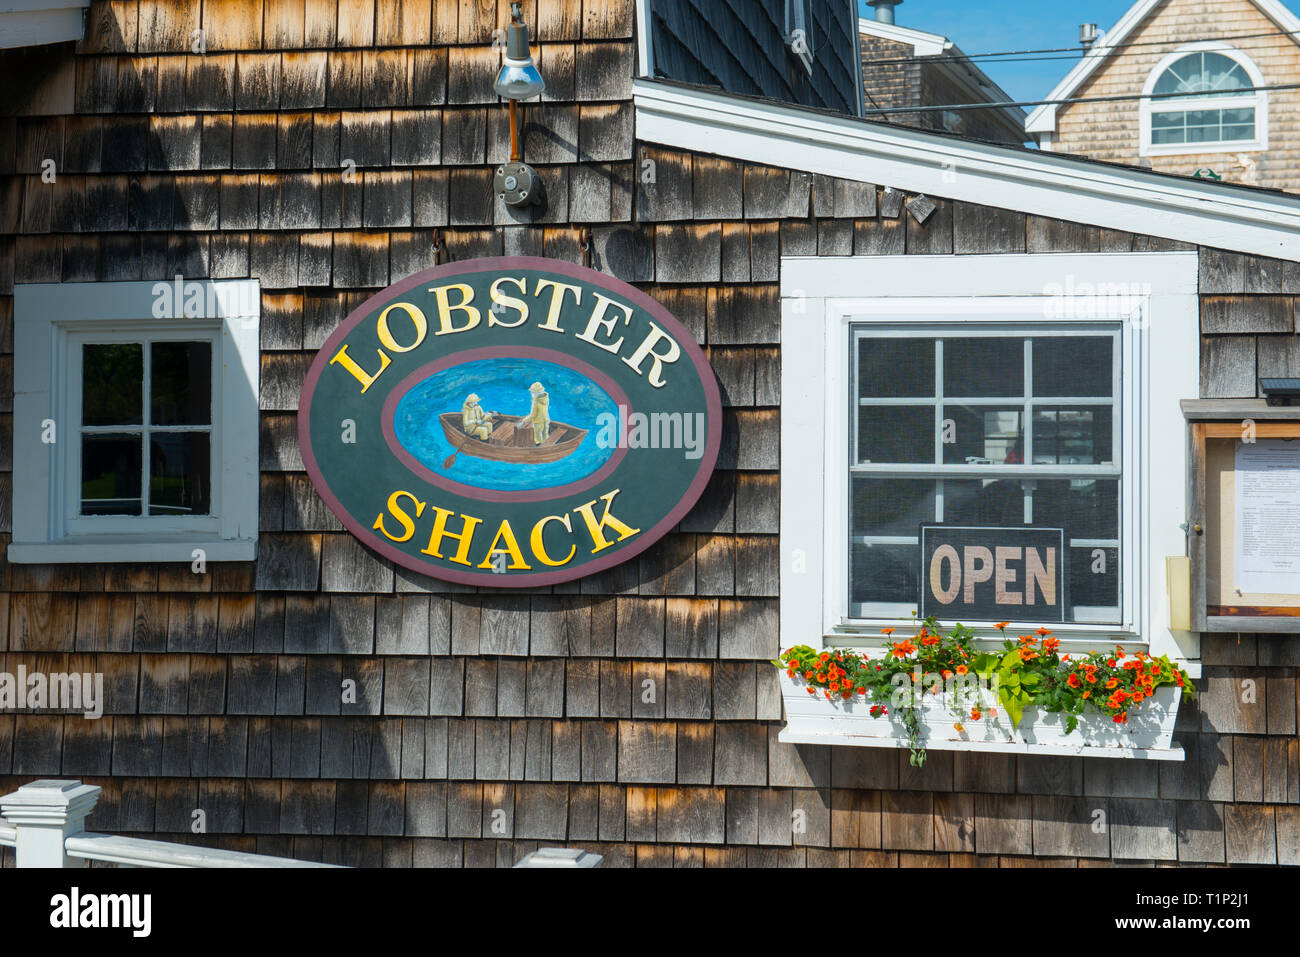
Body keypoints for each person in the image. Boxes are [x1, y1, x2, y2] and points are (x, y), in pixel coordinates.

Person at [516, 381, 550, 445]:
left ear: (535, 393)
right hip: (546, 419)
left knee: (538, 437)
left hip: (538, 421)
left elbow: (533, 415)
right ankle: (548, 445)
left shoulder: (535, 401)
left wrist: (523, 421)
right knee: (545, 434)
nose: (531, 393)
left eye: (532, 392)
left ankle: (539, 448)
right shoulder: (546, 398)